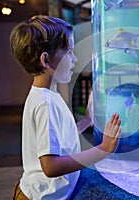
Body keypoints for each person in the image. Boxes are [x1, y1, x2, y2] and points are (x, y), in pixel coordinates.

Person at [10, 15, 121, 199]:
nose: (75, 58)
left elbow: (57, 141)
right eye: (69, 52)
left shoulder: (48, 95)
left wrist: (86, 121)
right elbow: (51, 166)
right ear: (46, 60)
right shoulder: (45, 103)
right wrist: (104, 149)